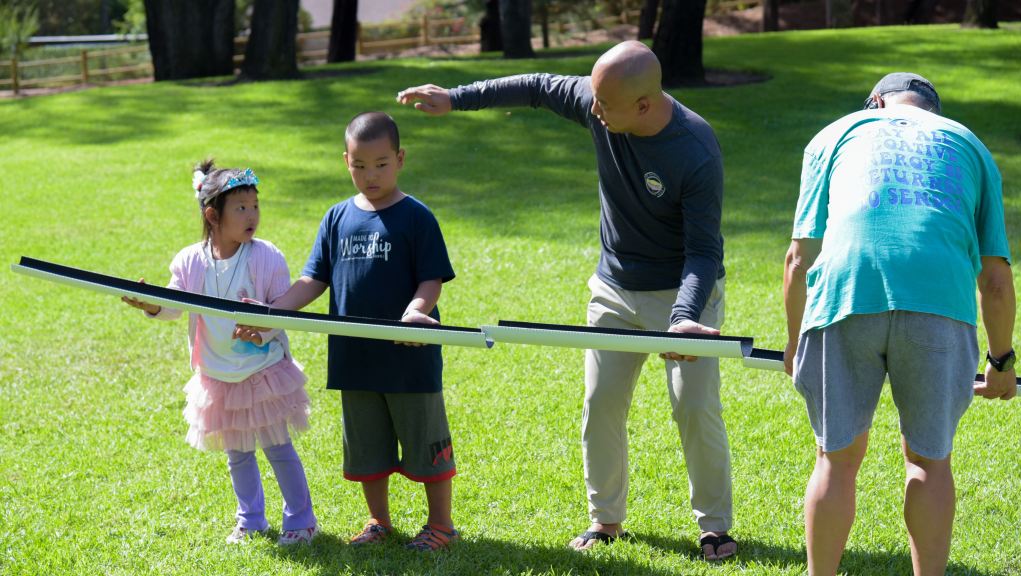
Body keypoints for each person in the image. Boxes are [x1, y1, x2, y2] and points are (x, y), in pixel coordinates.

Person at [397, 40, 736, 560]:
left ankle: (715, 528)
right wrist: (457, 98)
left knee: (695, 408)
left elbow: (704, 251)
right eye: (593, 98)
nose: (593, 110)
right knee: (600, 405)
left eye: (605, 105)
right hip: (615, 289)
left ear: (644, 105)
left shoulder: (695, 149)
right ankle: (605, 520)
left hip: (682, 298)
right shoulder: (603, 101)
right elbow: (535, 86)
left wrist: (684, 317)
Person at [783, 72, 1017, 576]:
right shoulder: (969, 145)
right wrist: (1001, 361)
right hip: (939, 303)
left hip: (845, 298)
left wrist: (794, 341)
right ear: (933, 112)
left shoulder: (835, 134)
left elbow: (799, 259)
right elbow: (996, 280)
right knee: (929, 461)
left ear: (875, 102)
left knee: (835, 459)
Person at [258, 112, 460, 552]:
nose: (371, 175)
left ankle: (441, 525)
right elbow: (313, 280)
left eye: (381, 164)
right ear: (345, 162)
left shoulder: (416, 217)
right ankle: (378, 521)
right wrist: (272, 313)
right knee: (367, 449)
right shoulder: (336, 217)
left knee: (427, 444)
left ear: (400, 159)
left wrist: (416, 311)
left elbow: (432, 279)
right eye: (359, 165)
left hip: (410, 359)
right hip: (355, 360)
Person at [122, 160, 318, 546]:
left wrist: (261, 329)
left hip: (262, 370)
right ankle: (251, 520)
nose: (252, 215)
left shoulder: (266, 256)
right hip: (218, 374)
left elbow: (282, 309)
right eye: (241, 208)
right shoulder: (190, 261)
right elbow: (174, 305)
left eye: (255, 205)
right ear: (213, 216)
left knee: (278, 448)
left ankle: (301, 521)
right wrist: (151, 304)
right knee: (238, 453)